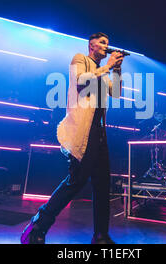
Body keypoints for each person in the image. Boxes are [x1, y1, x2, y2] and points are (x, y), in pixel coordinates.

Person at [21, 32, 124, 244]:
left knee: (103, 184)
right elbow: (80, 82)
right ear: (91, 45)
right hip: (82, 131)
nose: (107, 46)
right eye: (103, 42)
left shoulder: (102, 73)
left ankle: (101, 236)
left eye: (108, 42)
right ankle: (37, 226)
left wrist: (117, 68)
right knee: (76, 181)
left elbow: (117, 93)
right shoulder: (80, 59)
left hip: (100, 131)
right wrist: (107, 66)